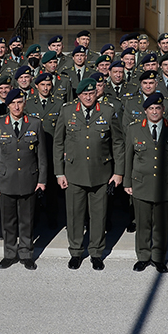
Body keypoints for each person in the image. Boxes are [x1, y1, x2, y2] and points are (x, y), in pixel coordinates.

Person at [52, 78, 124, 271]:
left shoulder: (107, 111)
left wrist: (118, 172)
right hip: (74, 173)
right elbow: (58, 143)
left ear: (96, 93)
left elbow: (117, 142)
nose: (89, 97)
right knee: (75, 216)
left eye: (92, 93)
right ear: (79, 95)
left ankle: (96, 253)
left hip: (101, 173)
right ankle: (75, 252)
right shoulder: (67, 111)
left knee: (98, 216)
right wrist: (59, 172)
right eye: (85, 94)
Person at [124, 92, 168, 274]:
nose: (155, 111)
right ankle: (143, 257)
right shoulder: (134, 129)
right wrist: (127, 181)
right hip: (141, 183)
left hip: (165, 185)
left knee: (161, 224)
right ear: (145, 111)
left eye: (158, 108)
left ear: (163, 110)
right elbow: (128, 157)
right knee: (143, 223)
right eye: (151, 108)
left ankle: (158, 258)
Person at [0, 89, 47, 270]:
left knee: (27, 220)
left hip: (29, 178)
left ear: (25, 103)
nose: (16, 106)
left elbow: (42, 156)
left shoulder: (35, 123)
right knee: (8, 220)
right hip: (6, 180)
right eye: (13, 103)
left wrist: (42, 180)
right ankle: (9, 253)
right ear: (7, 104)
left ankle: (26, 253)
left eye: (20, 102)